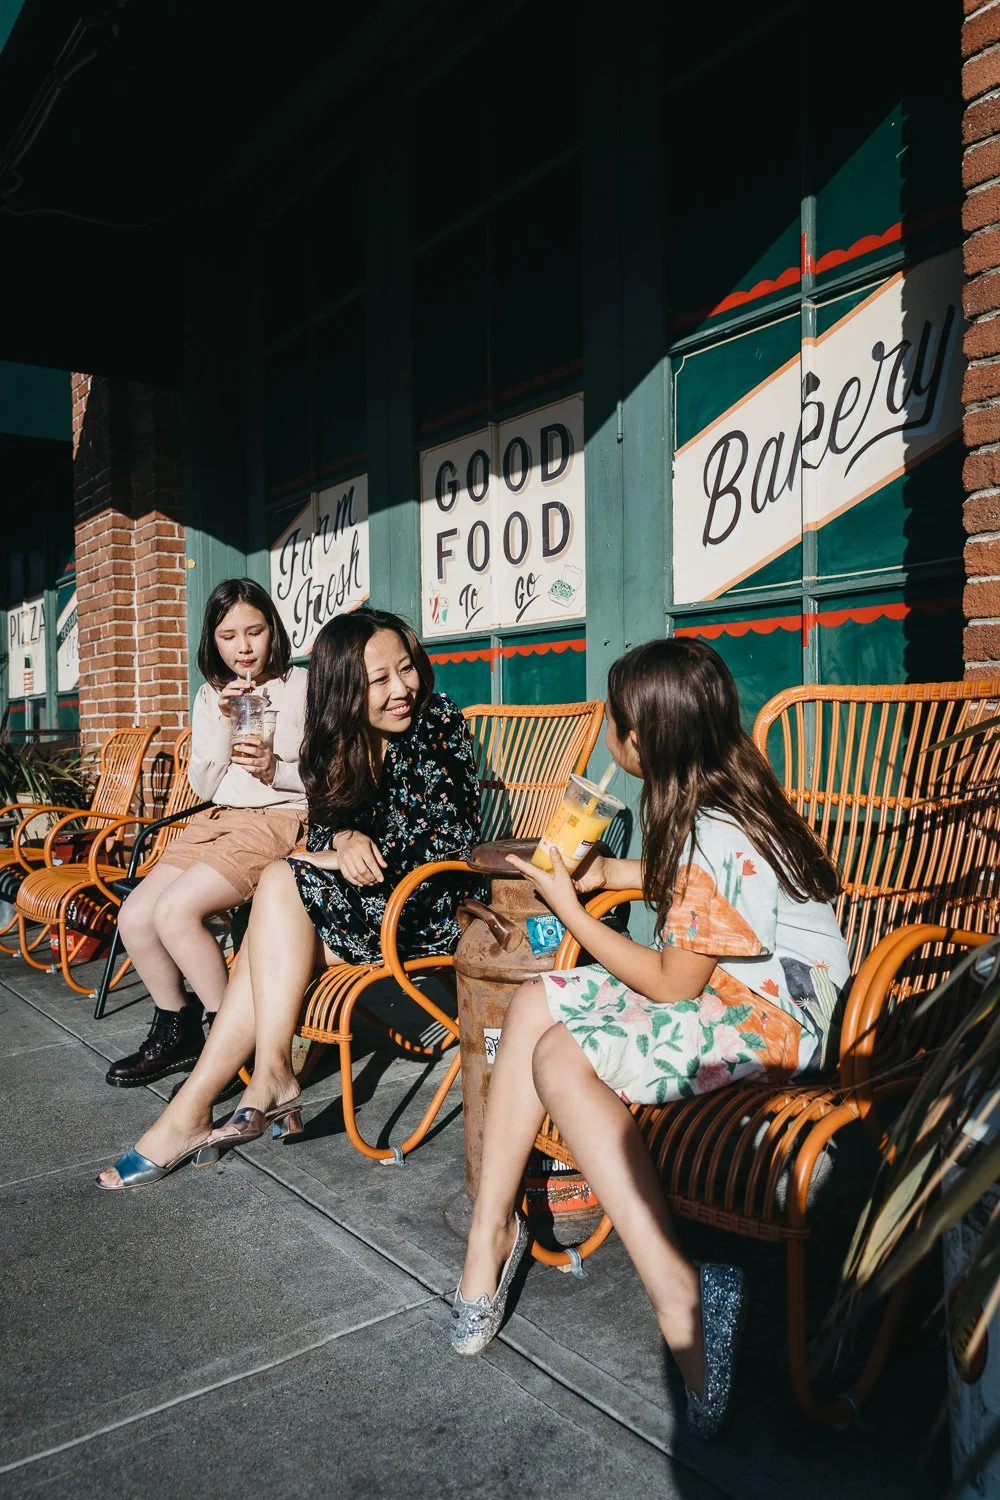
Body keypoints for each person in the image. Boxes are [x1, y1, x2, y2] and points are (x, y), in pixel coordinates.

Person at [451, 637, 849, 1442]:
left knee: (559, 1055)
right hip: (744, 989)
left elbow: (676, 982)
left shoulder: (712, 830)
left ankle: (681, 1297)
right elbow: (719, 899)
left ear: (646, 741)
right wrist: (610, 878)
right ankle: (487, 1236)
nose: (605, 729)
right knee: (536, 1008)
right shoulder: (723, 796)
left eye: (614, 718)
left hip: (771, 1020)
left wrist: (568, 909)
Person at [97, 607, 482, 1188]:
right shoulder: (337, 735)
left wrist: (338, 850)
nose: (402, 689)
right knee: (272, 921)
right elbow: (325, 827)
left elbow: (443, 838)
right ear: (346, 689)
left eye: (406, 670)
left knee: (278, 889)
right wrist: (344, 839)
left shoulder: (437, 721)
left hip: (422, 905)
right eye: (379, 680)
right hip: (360, 901)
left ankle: (231, 1091)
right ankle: (228, 1093)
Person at [104, 578, 308, 1088]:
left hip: (279, 818)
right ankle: (179, 1030)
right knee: (135, 917)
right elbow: (205, 783)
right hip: (217, 818)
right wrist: (219, 720)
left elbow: (329, 777)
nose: (243, 646)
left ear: (273, 630)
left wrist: (274, 767)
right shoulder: (210, 694)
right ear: (212, 641)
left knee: (175, 913)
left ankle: (232, 1043)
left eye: (255, 631)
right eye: (228, 635)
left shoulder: (304, 686)